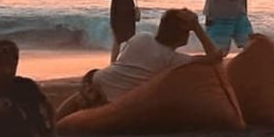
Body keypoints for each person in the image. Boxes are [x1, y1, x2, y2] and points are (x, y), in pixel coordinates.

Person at [55, 9, 223, 119]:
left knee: (78, 99)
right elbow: (215, 57)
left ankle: (55, 119)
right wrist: (197, 28)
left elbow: (122, 61)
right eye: (187, 31)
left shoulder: (142, 37)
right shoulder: (173, 59)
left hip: (93, 82)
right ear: (181, 34)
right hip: (111, 102)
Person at [0, 40, 56, 137]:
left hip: (33, 132)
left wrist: (53, 131)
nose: (9, 66)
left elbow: (48, 106)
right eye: (3, 61)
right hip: (5, 136)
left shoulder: (26, 84)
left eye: (13, 60)